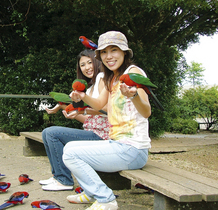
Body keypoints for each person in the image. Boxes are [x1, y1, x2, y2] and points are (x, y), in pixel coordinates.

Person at [63, 31, 152, 210]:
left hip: (133, 149)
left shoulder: (133, 73)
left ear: (124, 52)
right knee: (69, 148)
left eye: (114, 50)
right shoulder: (111, 77)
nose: (108, 56)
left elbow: (147, 112)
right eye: (104, 52)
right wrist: (82, 97)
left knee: (71, 154)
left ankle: (106, 199)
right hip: (116, 144)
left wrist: (134, 95)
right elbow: (99, 104)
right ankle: (91, 192)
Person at [39, 49, 110, 191]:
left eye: (90, 62)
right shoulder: (89, 89)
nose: (87, 67)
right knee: (47, 133)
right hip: (93, 132)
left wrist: (82, 109)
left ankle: (63, 180)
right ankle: (58, 177)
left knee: (52, 133)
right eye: (82, 65)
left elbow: (107, 109)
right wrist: (64, 109)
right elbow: (87, 120)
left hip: (104, 136)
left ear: (97, 62)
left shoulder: (102, 78)